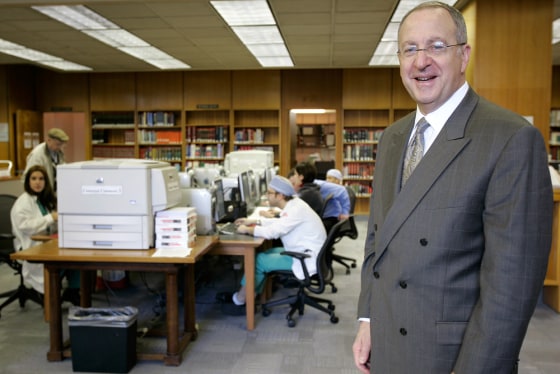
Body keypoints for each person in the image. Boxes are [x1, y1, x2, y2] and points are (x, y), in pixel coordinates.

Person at [352, 2, 553, 374]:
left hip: (452, 357)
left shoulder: (510, 139)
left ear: (463, 55)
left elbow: (512, 284)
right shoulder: (393, 138)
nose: (421, 61)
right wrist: (368, 318)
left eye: (436, 46)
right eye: (410, 49)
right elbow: (376, 242)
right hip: (387, 344)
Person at [223, 175, 326, 313]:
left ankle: (240, 300)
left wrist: (248, 230)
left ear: (280, 195)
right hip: (305, 251)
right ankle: (250, 295)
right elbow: (280, 223)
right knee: (264, 254)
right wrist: (255, 221)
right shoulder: (294, 204)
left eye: (269, 193)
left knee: (259, 261)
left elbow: (274, 232)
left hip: (305, 259)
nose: (267, 196)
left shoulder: (295, 209)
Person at [11, 165, 80, 305]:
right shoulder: (23, 202)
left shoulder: (43, 199)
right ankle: (51, 294)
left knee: (77, 254)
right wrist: (50, 218)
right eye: (34, 179)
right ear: (28, 181)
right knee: (64, 258)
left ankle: (72, 291)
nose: (38, 182)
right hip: (29, 245)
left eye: (41, 179)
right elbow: (26, 226)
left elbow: (49, 221)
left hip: (43, 241)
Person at [23, 128, 69, 192]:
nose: (60, 147)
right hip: (40, 193)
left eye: (62, 144)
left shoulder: (58, 152)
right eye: (58, 144)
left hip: (52, 191)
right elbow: (29, 177)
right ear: (48, 140)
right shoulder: (37, 155)